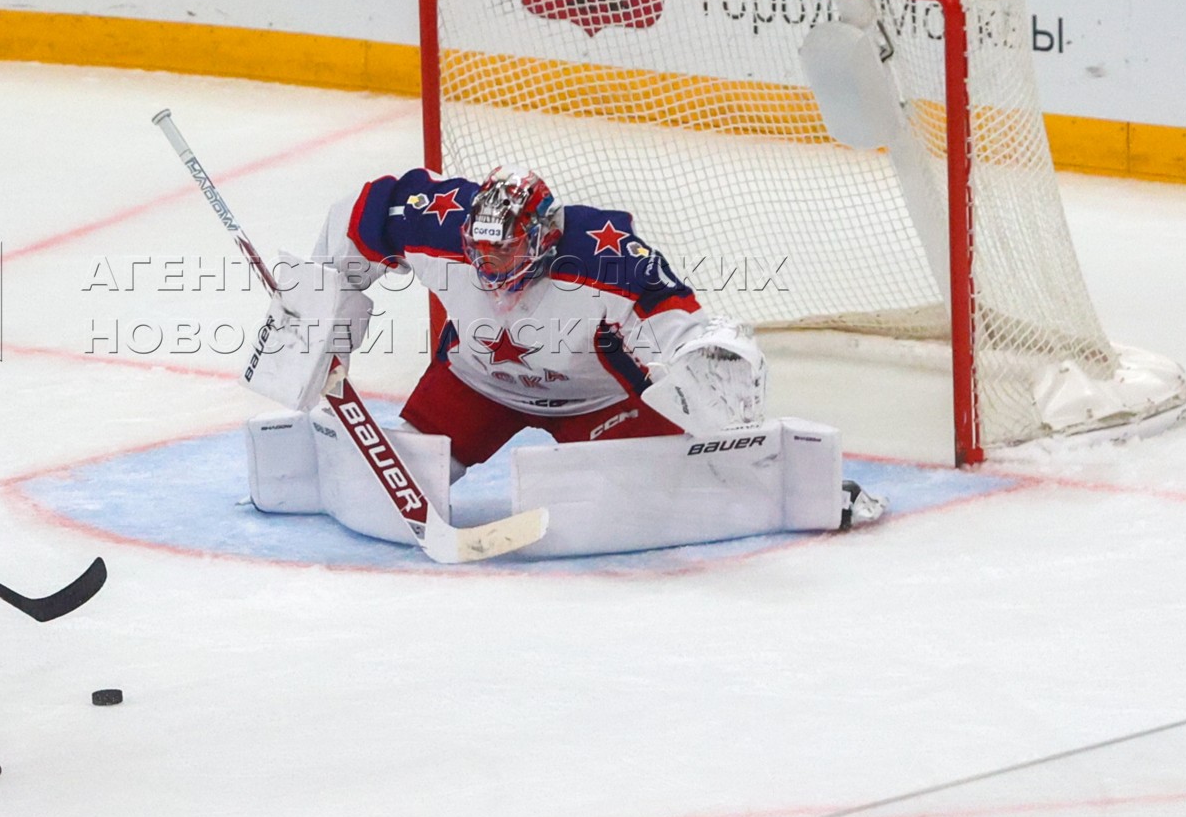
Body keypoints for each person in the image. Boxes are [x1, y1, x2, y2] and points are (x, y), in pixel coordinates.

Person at [238, 167, 886, 557]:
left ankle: (809, 489)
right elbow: (363, 213)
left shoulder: (609, 256)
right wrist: (317, 307)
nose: (488, 270)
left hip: (596, 401)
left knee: (671, 483)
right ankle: (306, 473)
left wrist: (708, 366)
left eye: (505, 255)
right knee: (389, 484)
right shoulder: (435, 222)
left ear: (544, 239)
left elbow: (679, 324)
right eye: (479, 254)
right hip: (474, 384)